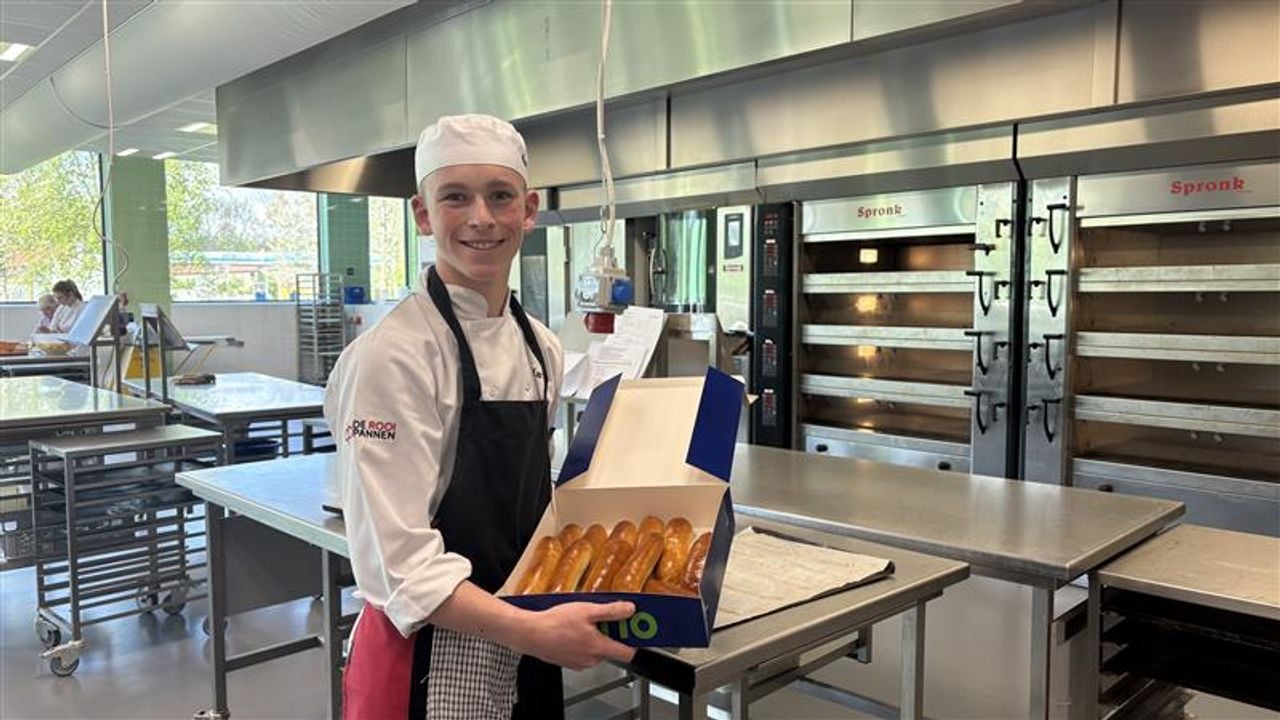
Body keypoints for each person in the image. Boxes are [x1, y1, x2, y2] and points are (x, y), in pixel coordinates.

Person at [325, 114, 635, 720]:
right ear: (422, 214)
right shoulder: (394, 356)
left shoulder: (540, 345)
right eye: (455, 197)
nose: (481, 219)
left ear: (530, 209)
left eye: (500, 196)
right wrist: (530, 631)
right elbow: (399, 566)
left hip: (529, 634)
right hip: (430, 658)